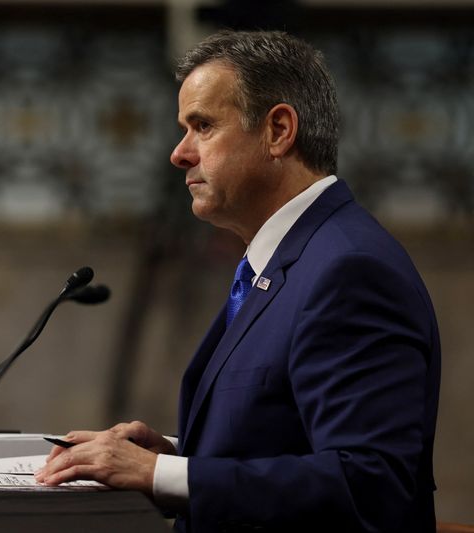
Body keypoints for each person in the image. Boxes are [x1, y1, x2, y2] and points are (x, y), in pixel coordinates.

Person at [34, 30, 441, 533]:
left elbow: (371, 485)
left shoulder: (349, 269)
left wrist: (160, 474)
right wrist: (177, 455)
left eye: (202, 126)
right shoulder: (286, 259)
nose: (179, 154)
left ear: (278, 131)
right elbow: (287, 437)